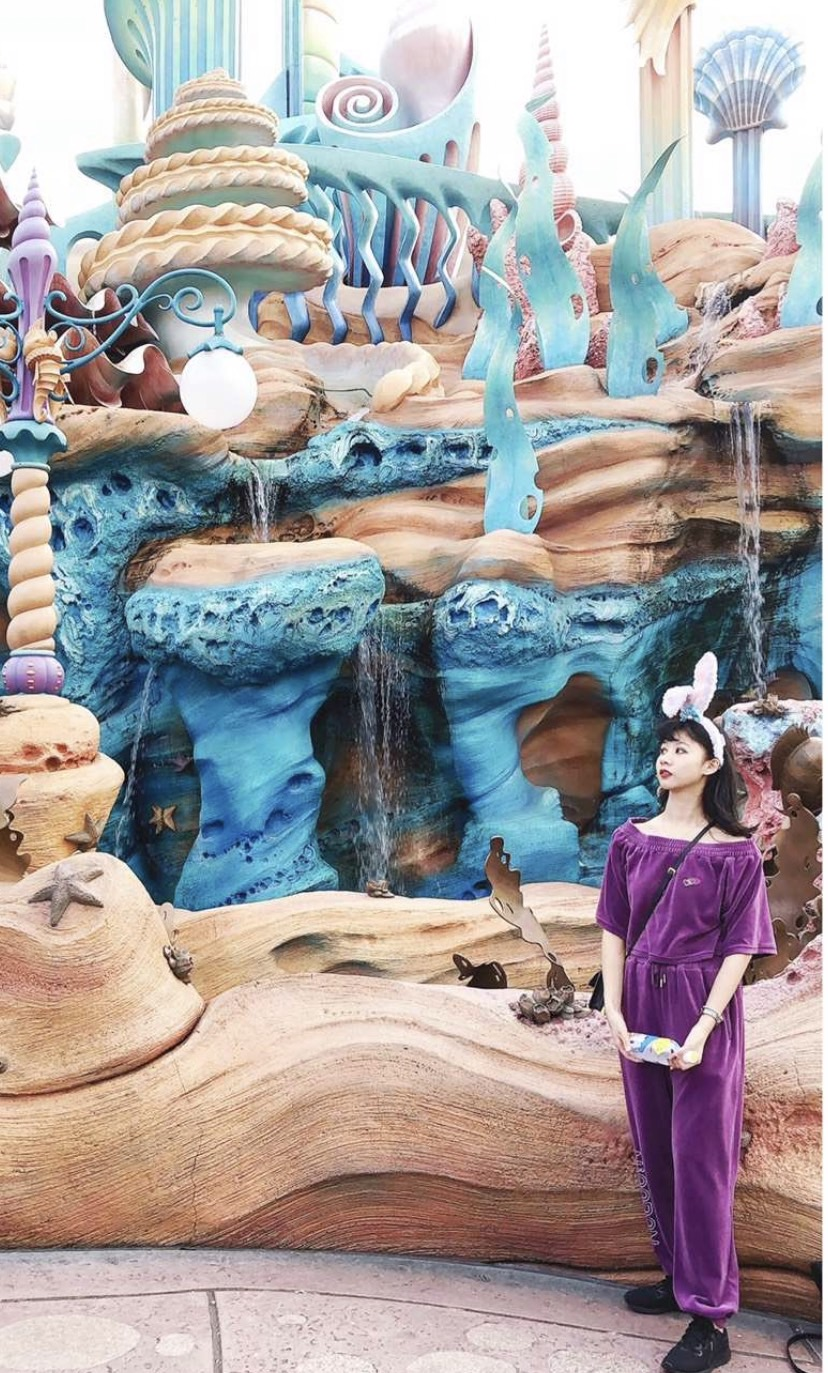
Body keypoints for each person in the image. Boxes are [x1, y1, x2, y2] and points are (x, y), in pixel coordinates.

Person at [595, 652, 776, 1373]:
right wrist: (613, 1009)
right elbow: (614, 928)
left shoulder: (736, 854)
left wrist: (703, 1027)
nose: (666, 757)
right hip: (640, 997)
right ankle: (678, 1276)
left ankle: (711, 1319)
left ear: (711, 764)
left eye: (681, 748)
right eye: (664, 746)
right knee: (658, 1150)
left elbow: (741, 948)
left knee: (702, 1161)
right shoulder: (629, 839)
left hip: (702, 1007)